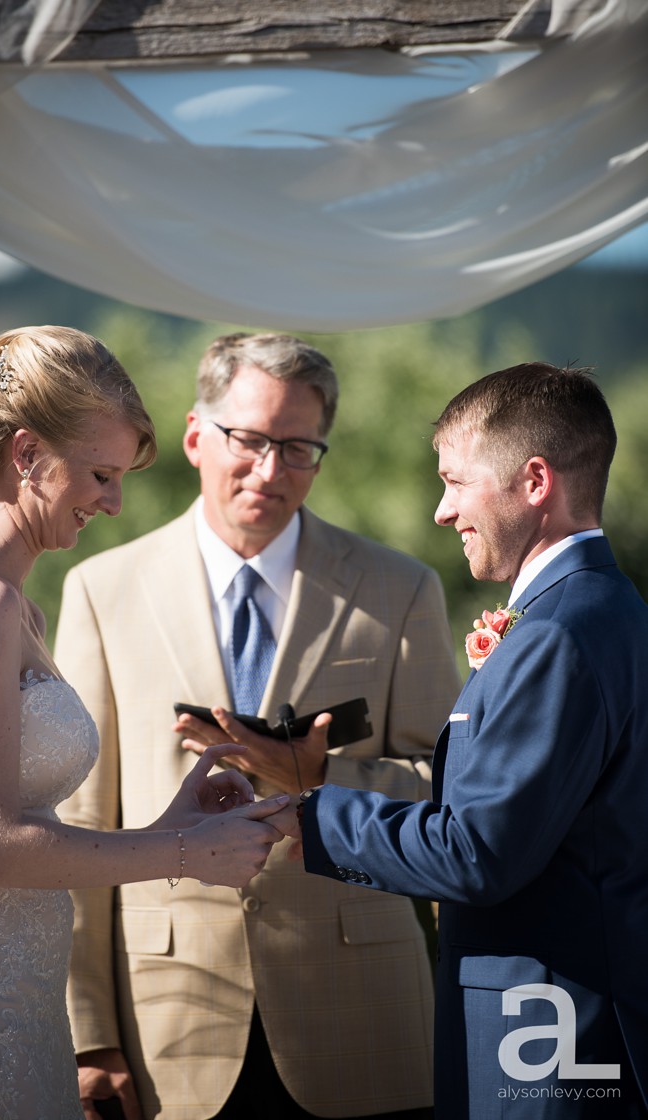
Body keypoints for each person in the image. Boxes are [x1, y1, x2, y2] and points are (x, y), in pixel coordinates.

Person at [55, 332, 461, 1120]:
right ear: (196, 435)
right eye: (250, 440)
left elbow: (448, 793)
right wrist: (89, 1032)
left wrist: (314, 775)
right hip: (167, 1023)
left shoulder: (399, 588)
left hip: (364, 1019)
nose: (272, 470)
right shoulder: (100, 590)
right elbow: (81, 822)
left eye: (300, 448)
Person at [0, 327, 297, 1119]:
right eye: (101, 475)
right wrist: (187, 852)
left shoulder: (12, 603)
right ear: (25, 453)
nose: (113, 502)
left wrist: (168, 822)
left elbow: (18, 817)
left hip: (18, 984)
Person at [298, 363, 648, 1116]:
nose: (440, 510)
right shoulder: (600, 609)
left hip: (550, 1041)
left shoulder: (557, 632)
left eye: (456, 482)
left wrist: (305, 819)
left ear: (534, 481)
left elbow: (479, 852)